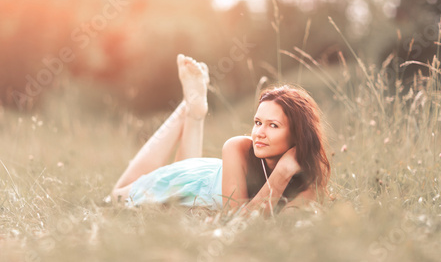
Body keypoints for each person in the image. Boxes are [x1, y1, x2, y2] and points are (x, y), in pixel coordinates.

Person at [111, 54, 331, 215]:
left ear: (297, 135)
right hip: (192, 179)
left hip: (201, 184)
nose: (259, 133)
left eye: (273, 125)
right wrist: (281, 173)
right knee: (116, 197)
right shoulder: (237, 147)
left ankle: (193, 111)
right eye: (257, 122)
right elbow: (236, 222)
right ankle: (188, 109)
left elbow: (284, 228)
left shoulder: (307, 180)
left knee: (187, 170)